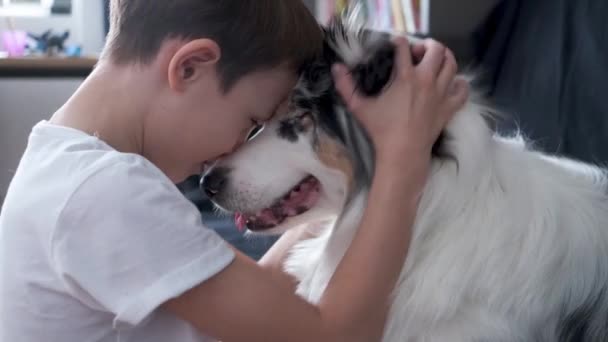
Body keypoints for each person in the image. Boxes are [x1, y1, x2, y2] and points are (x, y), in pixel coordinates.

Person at [0, 1, 468, 341]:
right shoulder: (105, 193)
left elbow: (258, 297)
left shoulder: (64, 168)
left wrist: (333, 186)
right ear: (190, 68)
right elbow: (335, 337)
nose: (233, 151)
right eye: (252, 122)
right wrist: (400, 159)